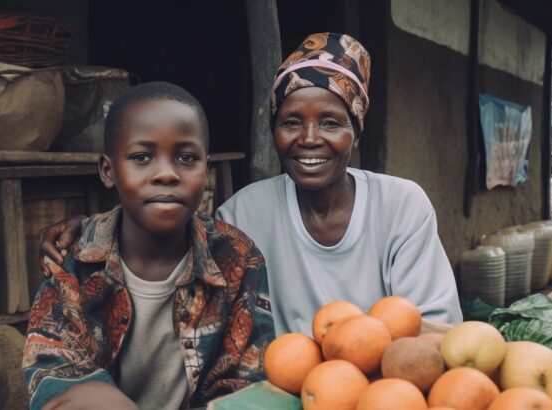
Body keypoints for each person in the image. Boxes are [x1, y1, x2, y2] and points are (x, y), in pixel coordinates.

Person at [39, 33, 462, 339]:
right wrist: (94, 230)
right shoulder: (244, 213)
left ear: (356, 131)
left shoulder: (401, 206)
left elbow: (436, 333)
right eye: (291, 121)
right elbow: (172, 237)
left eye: (331, 123)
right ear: (274, 130)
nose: (309, 138)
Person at [23, 82, 275, 410]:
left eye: (186, 157)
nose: (166, 174)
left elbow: (247, 381)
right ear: (108, 170)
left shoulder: (238, 257)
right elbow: (55, 373)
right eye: (142, 157)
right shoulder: (73, 258)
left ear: (207, 172)